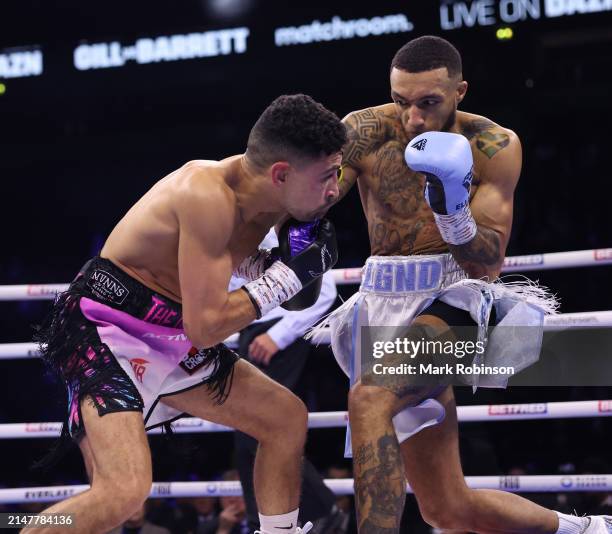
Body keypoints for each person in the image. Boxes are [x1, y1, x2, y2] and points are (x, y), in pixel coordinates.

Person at [312, 35, 610, 533]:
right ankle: (588, 530)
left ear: (460, 91)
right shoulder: (364, 130)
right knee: (446, 507)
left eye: (428, 103)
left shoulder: (494, 144)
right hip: (380, 300)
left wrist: (451, 210)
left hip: (457, 300)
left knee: (370, 398)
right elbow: (312, 201)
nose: (412, 118)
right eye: (401, 101)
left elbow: (488, 261)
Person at [26, 94, 346, 534]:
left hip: (172, 333)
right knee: (123, 491)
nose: (334, 188)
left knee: (284, 419)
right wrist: (284, 279)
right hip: (106, 327)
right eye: (327, 175)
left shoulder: (273, 208)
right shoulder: (206, 194)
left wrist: (277, 271)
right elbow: (208, 325)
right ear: (281, 174)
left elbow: (239, 283)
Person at [229, 228, 339, 532]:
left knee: (262, 427)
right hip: (249, 333)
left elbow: (324, 288)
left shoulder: (276, 226)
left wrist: (277, 337)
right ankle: (263, 523)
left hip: (274, 334)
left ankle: (322, 511)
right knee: (247, 436)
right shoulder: (226, 225)